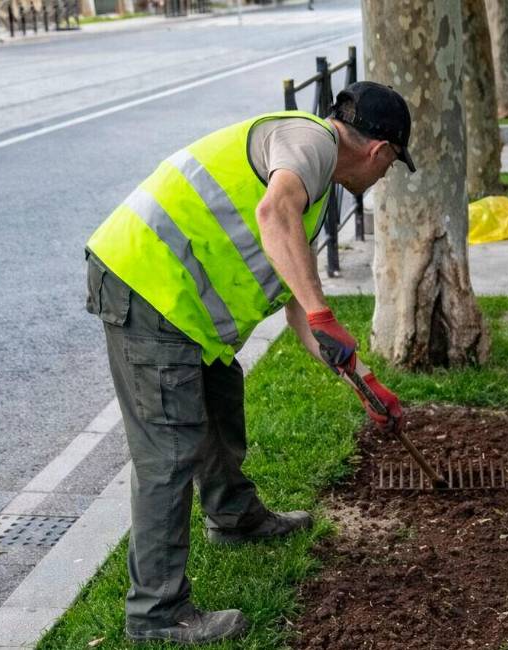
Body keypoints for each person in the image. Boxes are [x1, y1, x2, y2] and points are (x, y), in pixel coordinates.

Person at [83, 81, 415, 645]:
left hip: (181, 307)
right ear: (379, 151)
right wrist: (322, 310)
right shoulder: (311, 145)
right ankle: (156, 614)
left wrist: (361, 380)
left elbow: (298, 315)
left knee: (218, 400)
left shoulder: (315, 179)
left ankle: (235, 518)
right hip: (147, 285)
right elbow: (273, 211)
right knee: (169, 452)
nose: (382, 179)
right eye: (390, 168)